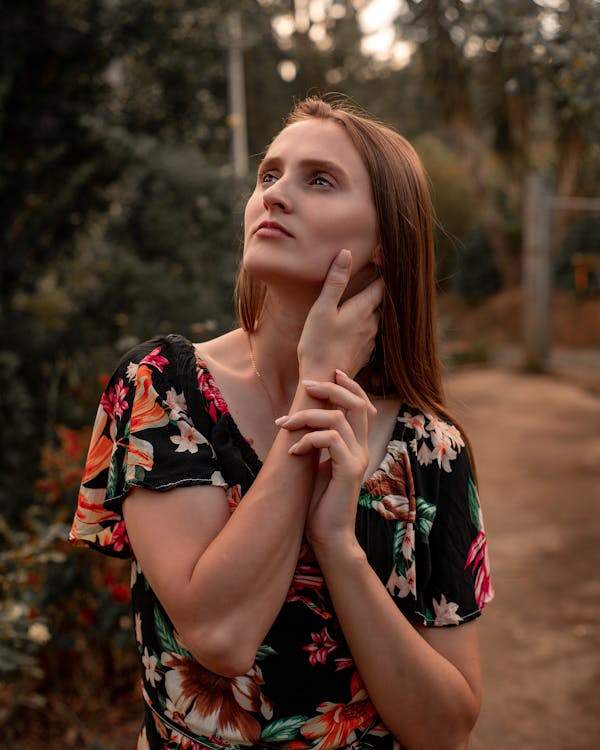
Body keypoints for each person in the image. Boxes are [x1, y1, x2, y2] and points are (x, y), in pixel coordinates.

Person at [70, 95, 494, 750]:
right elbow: (221, 638)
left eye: (318, 179)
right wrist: (313, 397)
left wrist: (338, 545)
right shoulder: (162, 388)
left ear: (384, 241)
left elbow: (445, 730)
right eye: (269, 175)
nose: (275, 195)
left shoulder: (431, 448)